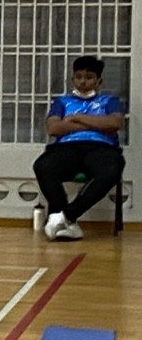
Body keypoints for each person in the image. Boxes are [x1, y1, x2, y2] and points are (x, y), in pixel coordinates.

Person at [35, 55, 126, 241]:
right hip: (67, 147)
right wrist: (97, 123)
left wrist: (76, 117)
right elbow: (54, 128)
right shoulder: (61, 102)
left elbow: (114, 123)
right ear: (72, 79)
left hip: (101, 147)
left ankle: (66, 216)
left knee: (112, 170)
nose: (83, 81)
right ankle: (67, 223)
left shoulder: (109, 101)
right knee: (43, 165)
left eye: (89, 77)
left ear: (98, 81)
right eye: (79, 77)